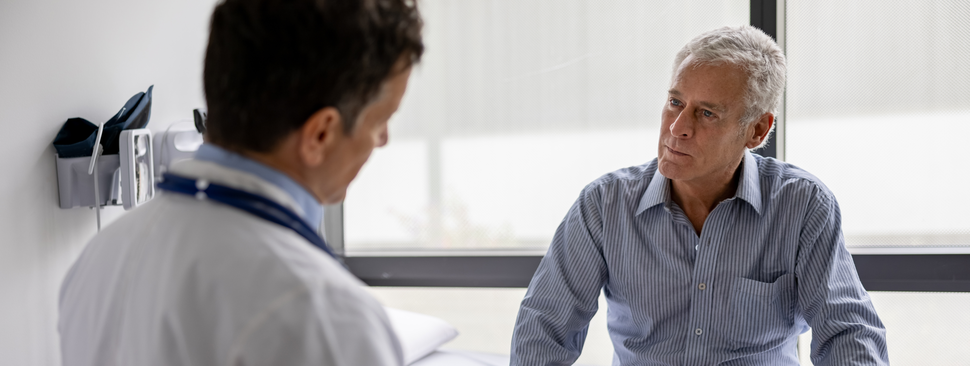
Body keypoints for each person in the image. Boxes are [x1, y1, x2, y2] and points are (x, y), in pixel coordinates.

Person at [58, 0, 423, 365]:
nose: (383, 140)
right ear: (320, 134)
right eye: (380, 121)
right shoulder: (325, 315)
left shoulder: (100, 258)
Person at [510, 25, 889, 366]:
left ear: (757, 130)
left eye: (706, 113)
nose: (677, 127)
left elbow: (847, 333)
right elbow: (543, 333)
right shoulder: (604, 205)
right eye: (675, 102)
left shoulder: (802, 205)